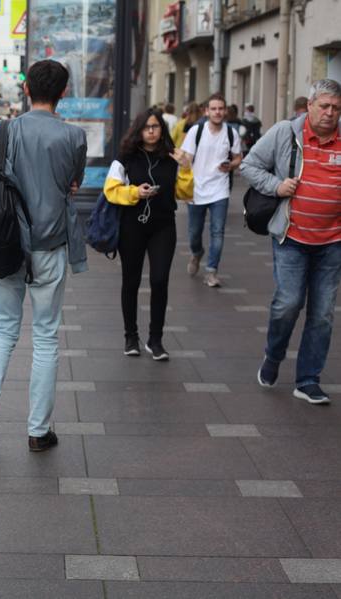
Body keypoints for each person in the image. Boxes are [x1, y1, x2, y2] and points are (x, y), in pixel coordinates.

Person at [0, 59, 87, 456]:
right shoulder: (74, 137)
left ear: (25, 90)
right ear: (64, 92)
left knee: (3, 329)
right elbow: (74, 182)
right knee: (46, 336)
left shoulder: (2, 130)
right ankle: (38, 431)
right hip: (49, 245)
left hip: (6, 245)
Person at [239, 78, 341, 405]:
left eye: (336, 108)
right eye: (323, 106)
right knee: (288, 303)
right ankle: (274, 354)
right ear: (309, 106)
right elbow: (249, 165)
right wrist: (276, 186)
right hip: (292, 236)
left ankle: (308, 379)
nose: (329, 113)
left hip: (332, 241)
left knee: (323, 313)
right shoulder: (286, 133)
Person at [104, 109, 194, 360]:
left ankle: (156, 339)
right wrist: (134, 192)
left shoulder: (172, 157)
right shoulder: (126, 157)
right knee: (131, 281)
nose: (152, 131)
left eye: (156, 127)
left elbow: (186, 194)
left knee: (159, 280)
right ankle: (130, 336)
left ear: (162, 130)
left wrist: (185, 169)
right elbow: (111, 190)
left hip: (163, 226)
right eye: (147, 127)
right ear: (139, 130)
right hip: (132, 226)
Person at [181, 93, 243, 287]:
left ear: (225, 111)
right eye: (213, 109)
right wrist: (180, 165)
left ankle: (211, 271)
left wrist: (231, 165)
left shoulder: (231, 133)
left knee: (218, 232)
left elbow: (238, 157)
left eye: (220, 109)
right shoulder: (196, 131)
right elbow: (186, 160)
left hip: (220, 189)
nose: (217, 112)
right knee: (194, 233)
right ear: (206, 111)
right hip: (197, 189)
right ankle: (197, 252)